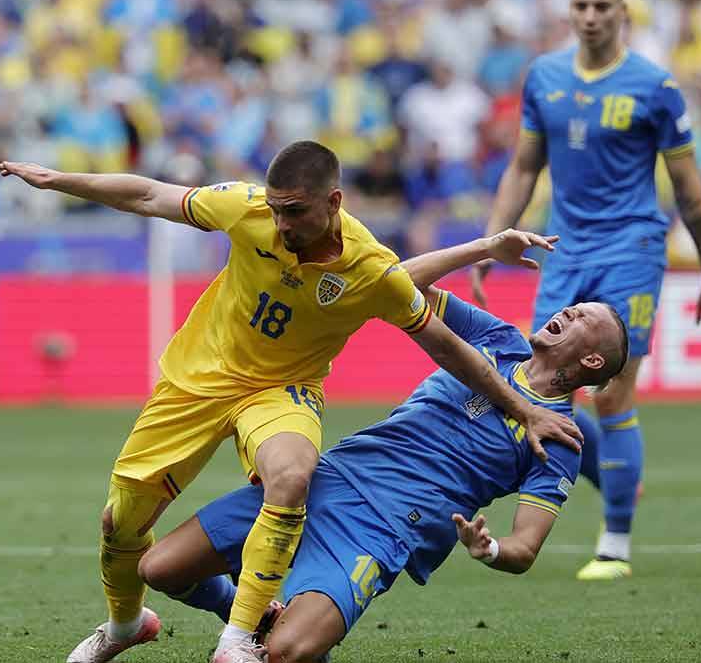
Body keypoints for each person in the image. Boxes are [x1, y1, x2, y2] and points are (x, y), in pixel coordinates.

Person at [0, 140, 583, 663]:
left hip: (282, 391)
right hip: (196, 381)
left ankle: (237, 639)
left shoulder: (371, 268)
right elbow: (149, 193)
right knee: (121, 528)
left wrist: (525, 409)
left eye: (294, 211)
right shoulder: (247, 208)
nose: (279, 223)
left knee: (291, 474)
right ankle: (126, 624)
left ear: (335, 201)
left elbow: (444, 344)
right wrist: (58, 179)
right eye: (275, 209)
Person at [138, 284, 630, 663]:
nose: (568, 310)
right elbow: (397, 283)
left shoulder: (561, 440)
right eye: (573, 306)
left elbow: (524, 549)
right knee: (160, 568)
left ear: (591, 359)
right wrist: (482, 248)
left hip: (382, 531)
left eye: (583, 316)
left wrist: (490, 548)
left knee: (289, 654)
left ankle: (288, 627)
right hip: (327, 480)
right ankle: (254, 612)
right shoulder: (498, 339)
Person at [471, 0, 701, 581]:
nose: (591, 16)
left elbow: (689, 191)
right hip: (564, 248)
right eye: (582, 5)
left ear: (623, 14)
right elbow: (523, 167)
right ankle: (612, 474)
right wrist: (492, 242)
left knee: (610, 393)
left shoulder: (655, 86)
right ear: (570, 12)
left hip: (631, 248)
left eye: (602, 6)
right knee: (544, 385)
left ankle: (615, 542)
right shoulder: (545, 76)